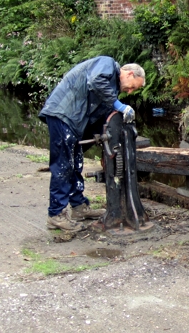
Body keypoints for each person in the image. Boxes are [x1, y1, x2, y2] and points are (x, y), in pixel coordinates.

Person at [39, 56, 145, 232]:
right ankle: (55, 216)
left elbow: (99, 115)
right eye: (133, 86)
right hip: (62, 115)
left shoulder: (111, 88)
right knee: (63, 166)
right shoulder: (107, 65)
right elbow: (95, 81)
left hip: (73, 122)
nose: (130, 91)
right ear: (129, 73)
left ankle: (79, 207)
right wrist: (119, 105)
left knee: (75, 165)